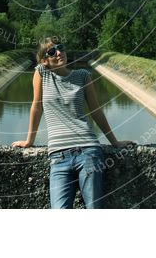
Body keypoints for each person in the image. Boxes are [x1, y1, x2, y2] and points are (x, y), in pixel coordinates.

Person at [12, 37, 134, 208]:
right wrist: (29, 141)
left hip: (89, 152)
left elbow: (96, 111)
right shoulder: (41, 72)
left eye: (60, 48)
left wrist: (114, 142)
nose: (59, 52)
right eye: (52, 51)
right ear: (44, 60)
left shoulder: (83, 76)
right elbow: (36, 107)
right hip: (58, 156)